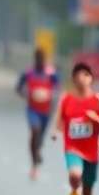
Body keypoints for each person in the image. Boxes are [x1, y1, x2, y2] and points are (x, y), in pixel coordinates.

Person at [51, 62, 99, 195]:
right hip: (72, 147)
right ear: (74, 79)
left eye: (85, 75)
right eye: (78, 75)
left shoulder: (98, 99)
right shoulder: (66, 99)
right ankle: (74, 188)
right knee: (75, 175)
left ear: (91, 78)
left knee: (89, 191)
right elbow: (58, 119)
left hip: (91, 150)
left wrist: (95, 119)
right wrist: (54, 131)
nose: (81, 78)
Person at [17, 48, 59, 180]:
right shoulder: (28, 73)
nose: (40, 62)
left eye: (42, 59)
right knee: (35, 130)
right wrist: (27, 94)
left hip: (46, 111)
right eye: (38, 59)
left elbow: (57, 88)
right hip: (32, 109)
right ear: (35, 60)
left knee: (39, 137)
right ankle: (34, 164)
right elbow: (18, 88)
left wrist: (50, 96)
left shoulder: (51, 73)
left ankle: (38, 150)